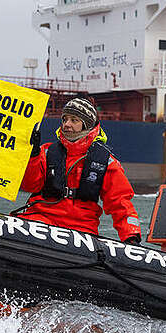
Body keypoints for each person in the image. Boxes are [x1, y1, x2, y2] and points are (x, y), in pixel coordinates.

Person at [18, 98, 141, 242]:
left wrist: (131, 235)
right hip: (40, 219)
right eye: (65, 119)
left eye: (74, 120)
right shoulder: (46, 151)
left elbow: (120, 202)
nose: (67, 124)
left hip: (81, 228)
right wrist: (32, 156)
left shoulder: (105, 161)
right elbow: (29, 185)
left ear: (86, 124)